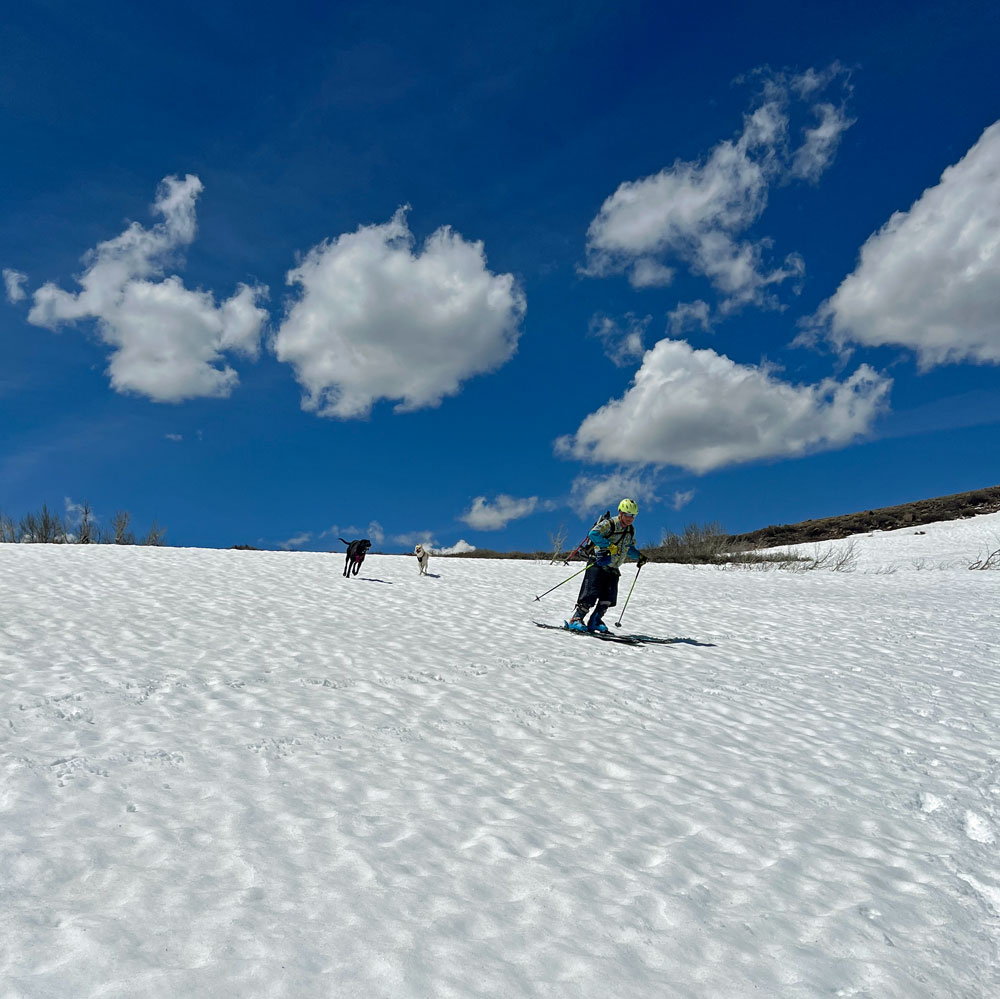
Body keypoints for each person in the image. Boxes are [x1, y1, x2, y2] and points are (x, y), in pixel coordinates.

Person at [568, 498, 648, 633]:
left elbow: (628, 547)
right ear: (621, 512)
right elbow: (593, 534)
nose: (630, 518)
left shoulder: (630, 530)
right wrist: (608, 546)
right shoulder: (610, 524)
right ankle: (576, 619)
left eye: (633, 515)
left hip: (613, 568)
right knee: (590, 595)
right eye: (628, 514)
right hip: (598, 563)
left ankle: (595, 621)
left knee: (608, 598)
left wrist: (639, 557)